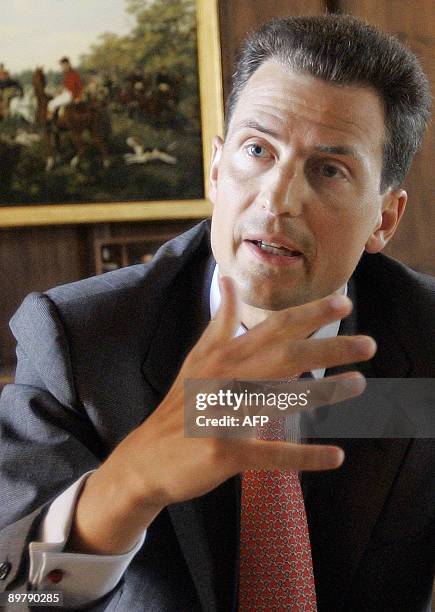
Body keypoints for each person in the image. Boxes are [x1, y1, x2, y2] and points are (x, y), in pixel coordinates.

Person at [0, 14, 434, 612]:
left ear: (384, 218)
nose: (277, 199)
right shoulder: (81, 343)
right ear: (215, 166)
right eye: (258, 149)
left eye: (329, 169)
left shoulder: (426, 339)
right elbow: (17, 596)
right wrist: (131, 484)